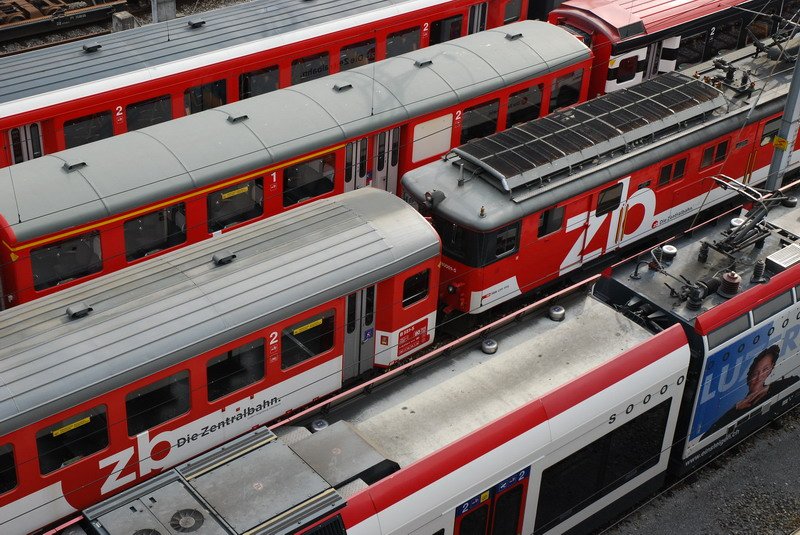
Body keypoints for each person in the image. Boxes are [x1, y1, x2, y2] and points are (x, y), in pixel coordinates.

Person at [702, 345, 799, 438]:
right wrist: (736, 407)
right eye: (755, 373)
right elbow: (708, 435)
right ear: (749, 376)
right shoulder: (737, 403)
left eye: (765, 369)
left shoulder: (775, 388)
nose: (759, 377)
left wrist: (769, 387)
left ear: (771, 369)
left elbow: (796, 380)